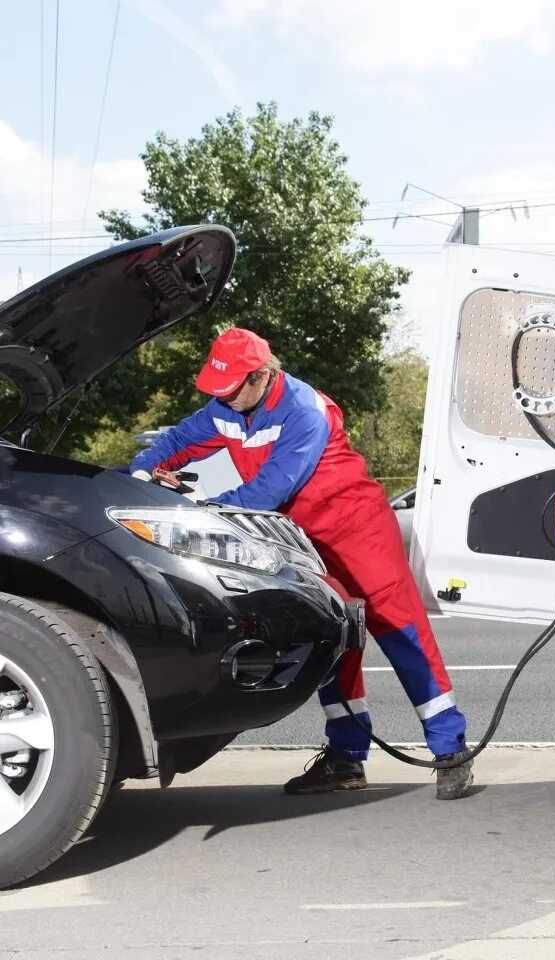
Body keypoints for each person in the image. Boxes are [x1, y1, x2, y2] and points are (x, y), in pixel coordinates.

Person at [130, 327, 475, 800]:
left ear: (262, 376)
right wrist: (142, 472)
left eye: (230, 391)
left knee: (401, 632)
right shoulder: (225, 409)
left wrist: (205, 513)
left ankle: (450, 749)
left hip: (358, 531)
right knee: (332, 645)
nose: (223, 402)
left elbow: (270, 489)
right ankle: (346, 758)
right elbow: (175, 441)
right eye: (217, 392)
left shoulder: (305, 410)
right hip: (302, 539)